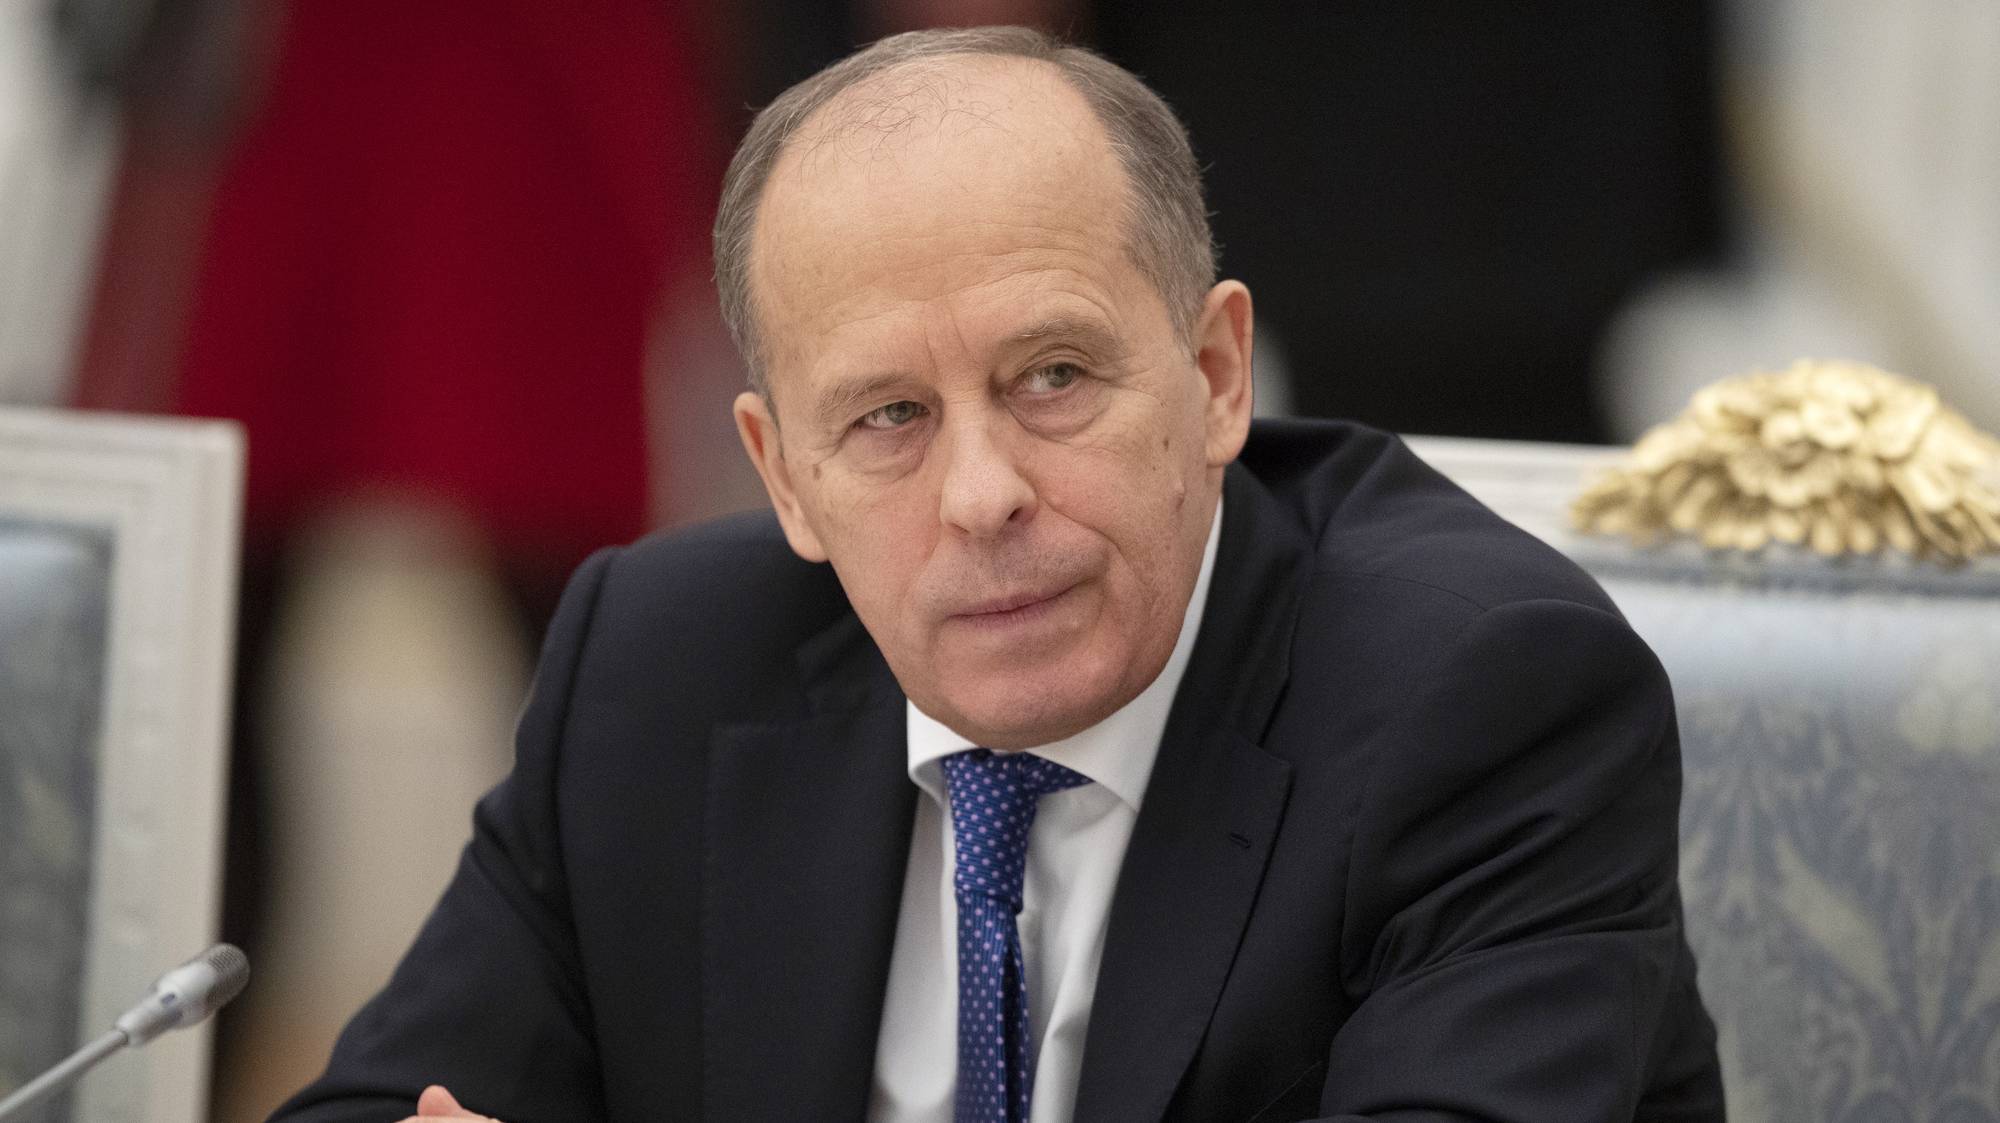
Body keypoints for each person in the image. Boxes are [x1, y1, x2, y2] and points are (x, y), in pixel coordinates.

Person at [271, 27, 1724, 1123]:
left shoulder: (1484, 703)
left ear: (1216, 374)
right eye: (889, 418)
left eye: (1053, 376)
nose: (982, 497)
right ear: (784, 475)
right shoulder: (654, 667)